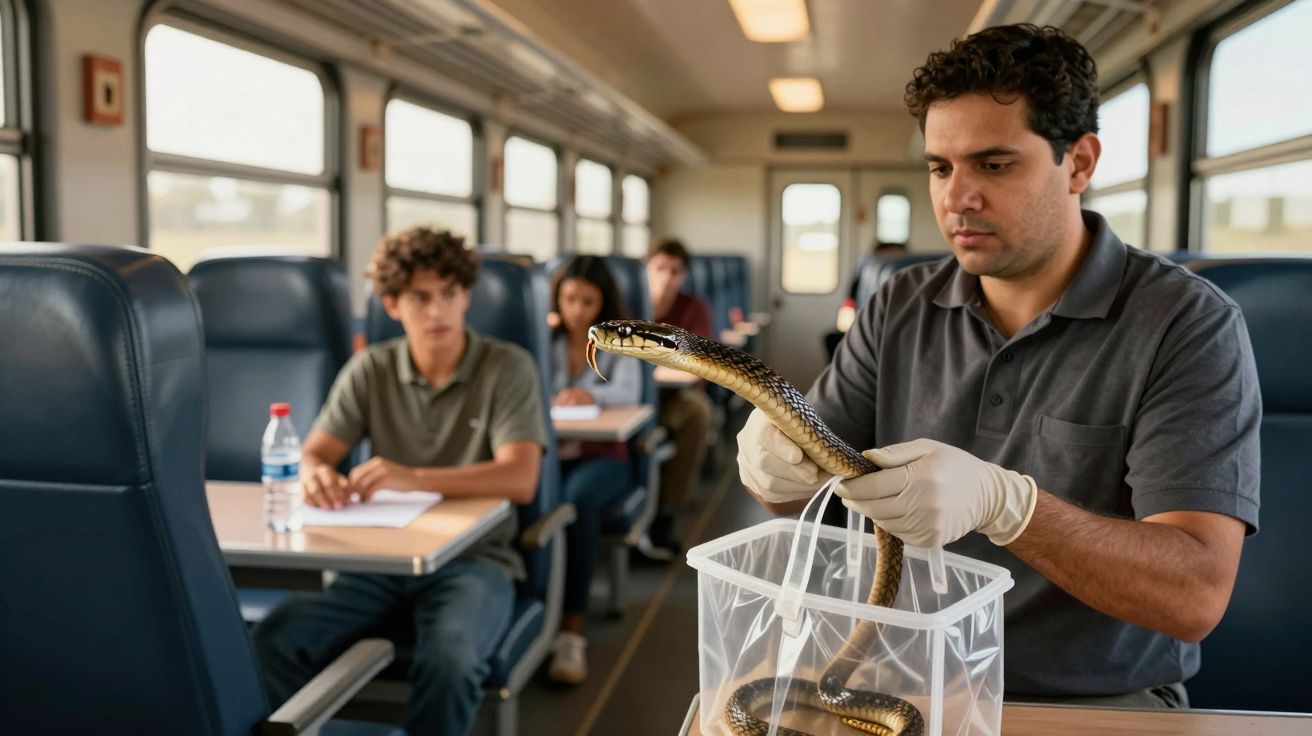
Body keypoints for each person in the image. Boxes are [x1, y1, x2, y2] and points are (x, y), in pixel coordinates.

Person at [736, 24, 1260, 708]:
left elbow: (1194, 595)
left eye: (993, 165)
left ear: (1079, 163)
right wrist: (772, 466)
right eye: (940, 168)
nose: (958, 198)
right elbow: (797, 490)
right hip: (898, 681)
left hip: (1090, 701)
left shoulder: (1185, 323)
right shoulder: (898, 304)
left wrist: (1009, 507)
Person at [251, 227, 547, 735]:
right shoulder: (371, 368)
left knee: (450, 661)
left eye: (449, 294)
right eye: (419, 298)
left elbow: (521, 478)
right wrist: (316, 474)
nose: (437, 312)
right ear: (392, 304)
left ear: (467, 296)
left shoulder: (507, 367)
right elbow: (314, 453)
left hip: (474, 560)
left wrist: (413, 477)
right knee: (273, 641)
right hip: (378, 559)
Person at [544, 256, 642, 685]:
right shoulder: (543, 339)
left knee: (575, 499)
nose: (577, 310)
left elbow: (629, 392)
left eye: (588, 301)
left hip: (604, 456)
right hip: (552, 453)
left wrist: (591, 396)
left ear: (604, 303)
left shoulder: (619, 342)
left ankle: (571, 627)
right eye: (569, 299)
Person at [645, 238, 714, 555]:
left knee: (698, 412)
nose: (666, 277)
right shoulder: (630, 304)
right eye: (660, 268)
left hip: (675, 397)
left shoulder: (693, 308)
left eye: (674, 271)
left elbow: (697, 363)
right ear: (647, 269)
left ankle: (668, 511)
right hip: (633, 396)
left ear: (683, 276)